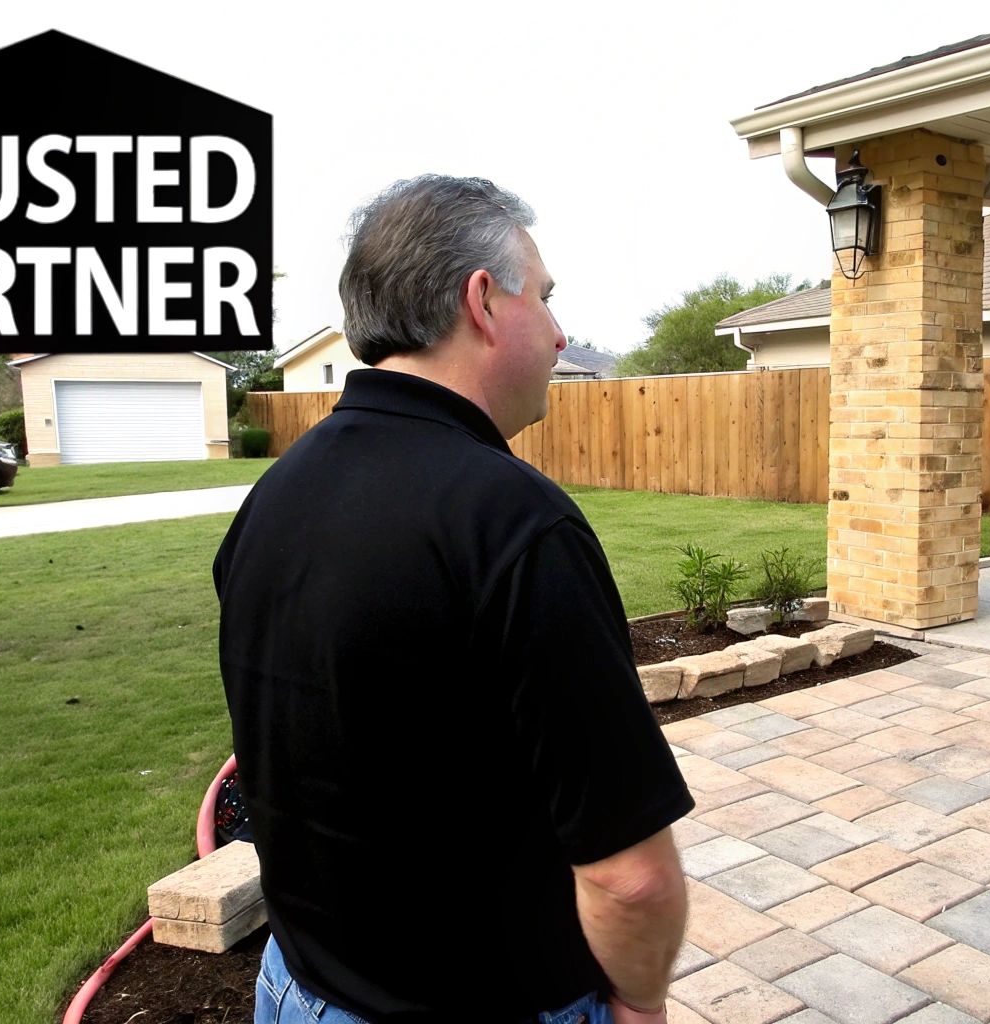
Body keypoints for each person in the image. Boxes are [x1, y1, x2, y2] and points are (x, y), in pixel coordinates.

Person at [215, 175, 692, 1024]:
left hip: (295, 991)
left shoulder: (277, 495)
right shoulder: (515, 524)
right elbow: (631, 877)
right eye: (544, 296)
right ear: (483, 301)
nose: (560, 332)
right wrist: (642, 1003)